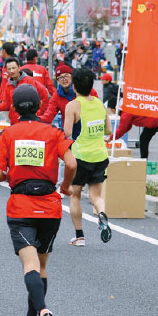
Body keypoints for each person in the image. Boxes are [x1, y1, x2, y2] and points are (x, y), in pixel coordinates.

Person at [0, 84, 76, 316]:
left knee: (30, 266)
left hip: (21, 206)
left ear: (14, 109)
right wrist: (66, 186)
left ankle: (43, 310)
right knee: (41, 266)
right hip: (50, 206)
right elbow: (71, 164)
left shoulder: (8, 134)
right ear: (40, 106)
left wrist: (12, 175)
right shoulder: (53, 133)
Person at [63, 67, 112, 247]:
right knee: (95, 196)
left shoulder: (73, 105)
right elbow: (108, 130)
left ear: (74, 86)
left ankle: (79, 236)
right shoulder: (100, 104)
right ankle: (101, 213)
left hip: (81, 157)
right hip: (100, 155)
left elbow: (67, 132)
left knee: (75, 195)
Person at [0, 57, 49, 125]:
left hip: (28, 122)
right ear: (6, 70)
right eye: (9, 69)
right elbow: (7, 104)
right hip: (14, 122)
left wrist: (37, 115)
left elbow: (37, 100)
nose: (12, 71)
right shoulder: (8, 85)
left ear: (19, 67)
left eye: (13, 68)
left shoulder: (28, 80)